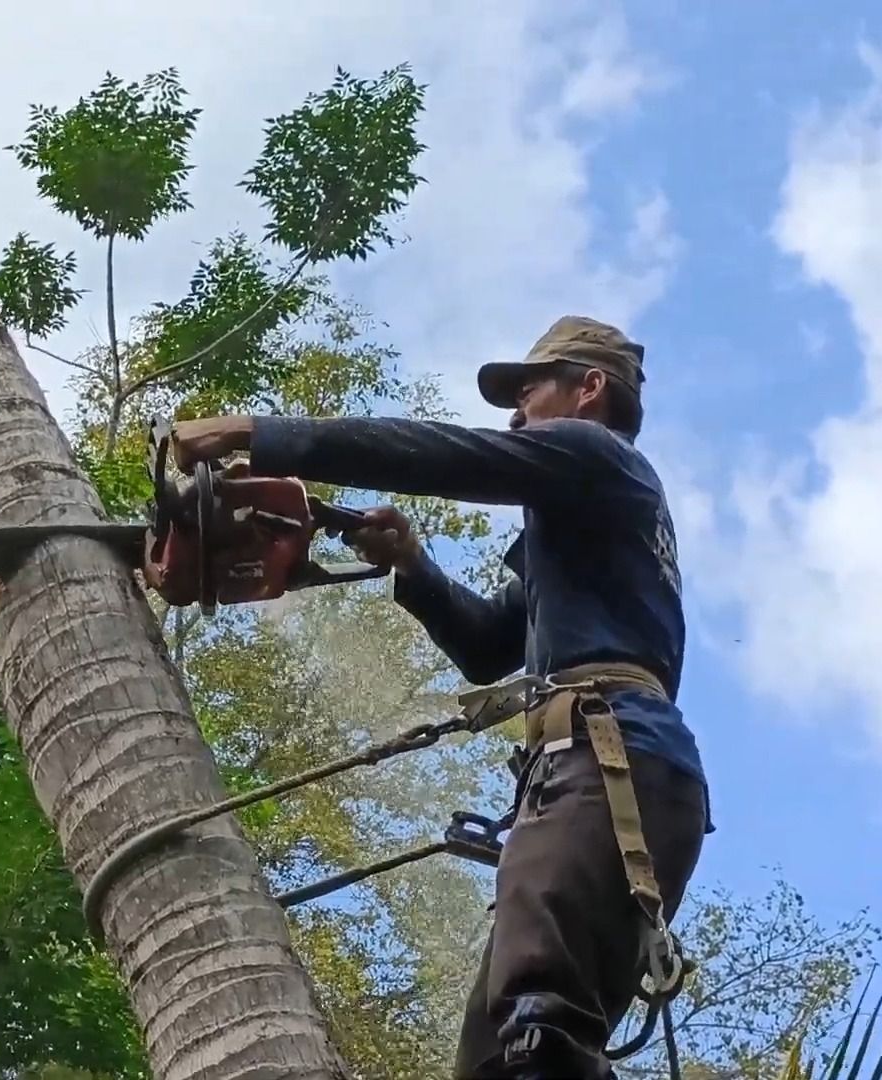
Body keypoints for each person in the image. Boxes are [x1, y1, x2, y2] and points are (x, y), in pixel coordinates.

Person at [169, 315, 711, 1080]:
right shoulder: (585, 521)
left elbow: (444, 455)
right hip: (607, 775)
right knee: (502, 1058)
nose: (517, 418)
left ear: (590, 390)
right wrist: (414, 566)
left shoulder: (596, 457)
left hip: (606, 766)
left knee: (540, 1029)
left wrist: (261, 434)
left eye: (529, 394)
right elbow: (491, 645)